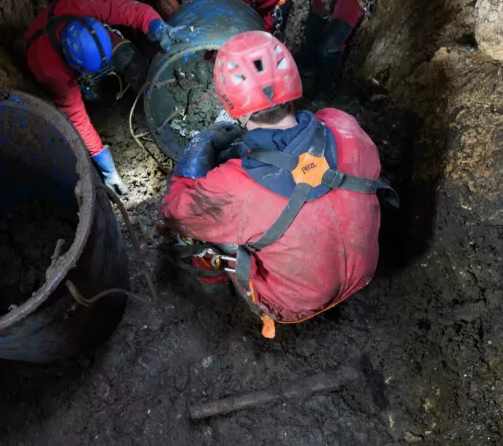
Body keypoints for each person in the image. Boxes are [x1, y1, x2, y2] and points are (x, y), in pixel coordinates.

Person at [160, 31, 396, 337]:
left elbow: (173, 212)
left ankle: (214, 294)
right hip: (364, 273)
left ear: (229, 101)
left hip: (295, 306)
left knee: (191, 233)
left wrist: (198, 149)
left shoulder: (233, 186)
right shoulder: (344, 125)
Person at [23, 0, 189, 195]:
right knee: (96, 97)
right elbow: (77, 118)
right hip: (49, 52)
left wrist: (156, 26)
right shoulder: (50, 70)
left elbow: (128, 8)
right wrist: (106, 165)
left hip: (84, 37)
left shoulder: (80, 5)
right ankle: (100, 94)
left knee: (130, 59)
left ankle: (156, 101)